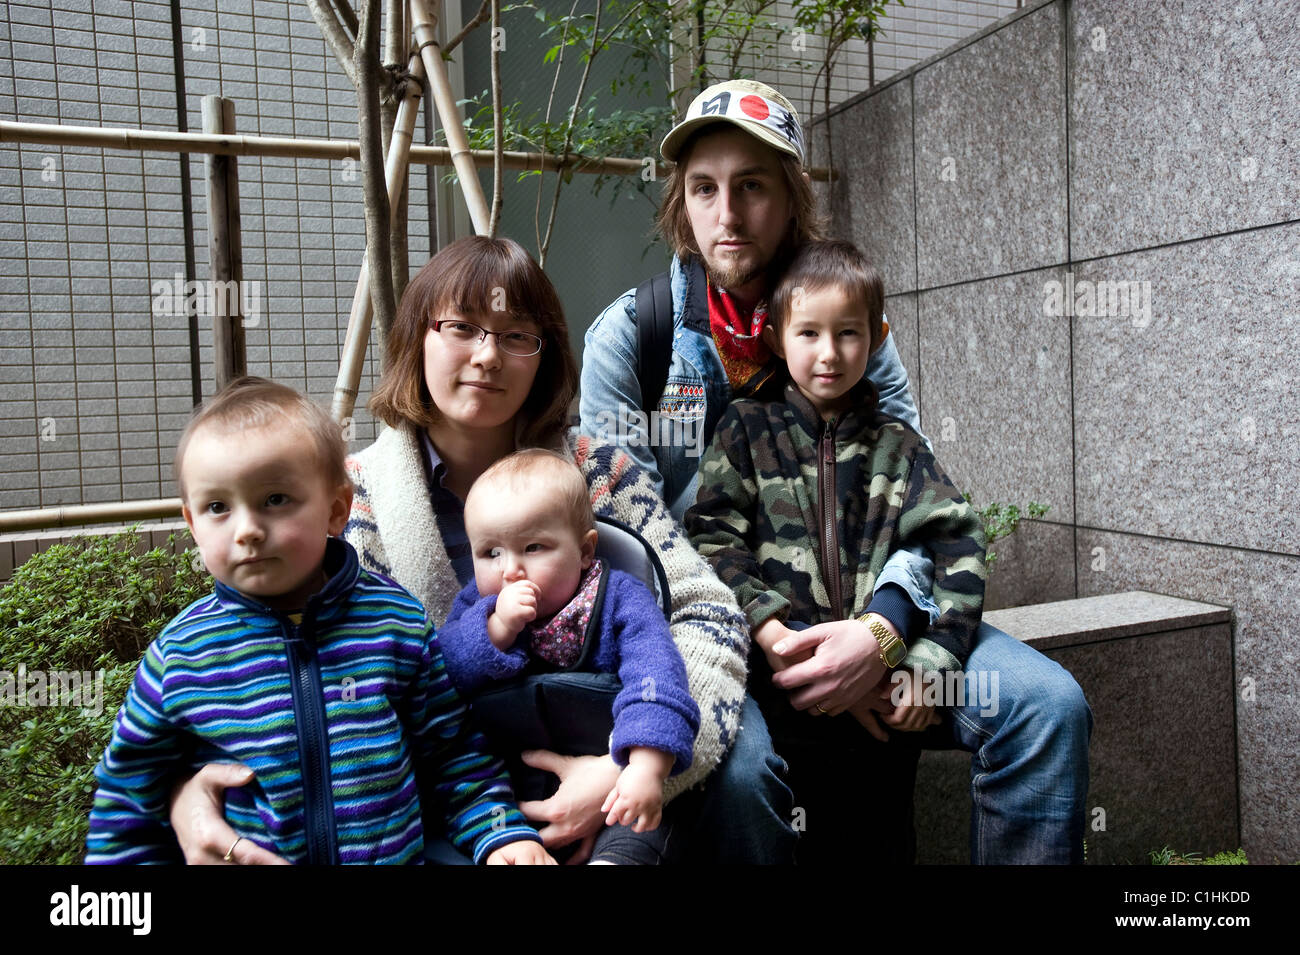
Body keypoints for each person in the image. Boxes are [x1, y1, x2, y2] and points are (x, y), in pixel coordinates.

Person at [580, 78, 1093, 863]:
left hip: (874, 624)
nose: (727, 213)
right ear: (682, 201)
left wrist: (883, 630)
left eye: (752, 186)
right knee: (737, 775)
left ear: (793, 196)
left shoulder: (849, 321)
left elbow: (917, 493)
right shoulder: (630, 337)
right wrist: (773, 635)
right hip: (720, 644)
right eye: (705, 188)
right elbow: (631, 533)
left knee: (1044, 706)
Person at [166, 237, 766, 865]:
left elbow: (706, 611)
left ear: (545, 355)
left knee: (745, 772)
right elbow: (260, 651)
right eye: (461, 327)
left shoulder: (597, 472)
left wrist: (632, 769)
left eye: (517, 335)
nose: (487, 356)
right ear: (417, 337)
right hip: (450, 791)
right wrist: (179, 786)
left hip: (620, 751)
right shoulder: (350, 497)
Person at [87, 377, 551, 865]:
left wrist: (502, 834)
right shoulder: (181, 654)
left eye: (275, 500)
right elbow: (127, 802)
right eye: (218, 507)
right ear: (192, 523)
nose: (247, 530)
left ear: (336, 510)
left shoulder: (393, 620)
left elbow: (452, 753)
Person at [686, 240, 988, 862]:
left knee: (881, 845)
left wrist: (928, 666)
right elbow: (711, 538)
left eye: (848, 333)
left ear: (877, 338)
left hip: (881, 711)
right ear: (776, 338)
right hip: (783, 694)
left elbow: (957, 544)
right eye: (809, 333)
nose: (829, 353)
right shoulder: (745, 431)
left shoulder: (899, 447)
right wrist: (768, 627)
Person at [437, 448, 700, 863]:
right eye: (491, 553)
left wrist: (646, 766)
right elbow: (444, 674)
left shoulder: (620, 601)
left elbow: (657, 674)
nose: (509, 570)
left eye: (533, 547)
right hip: (506, 796)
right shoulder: (476, 610)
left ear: (584, 550)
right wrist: (497, 630)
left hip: (611, 786)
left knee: (644, 828)